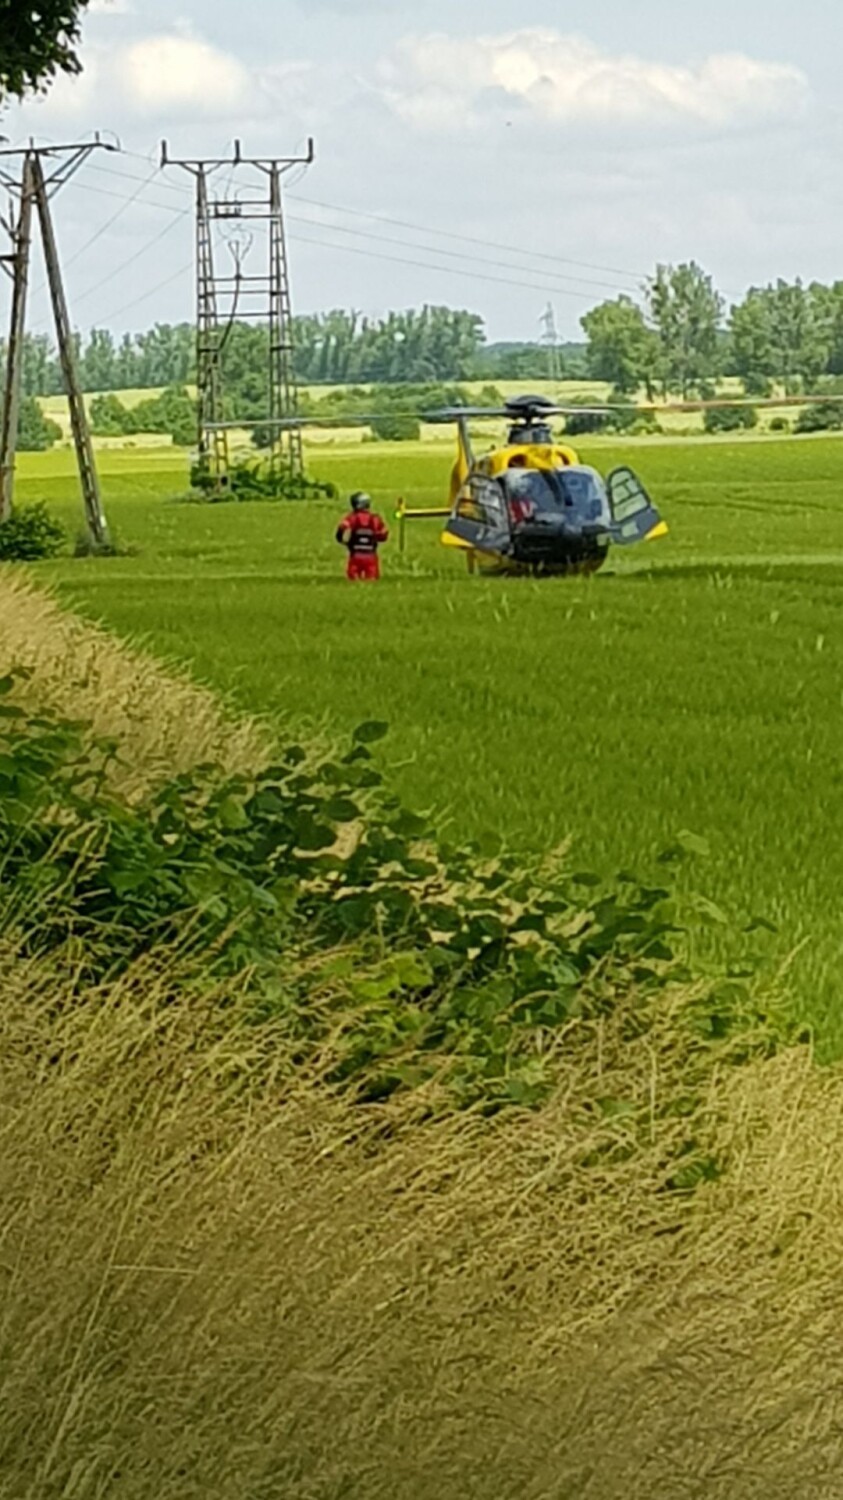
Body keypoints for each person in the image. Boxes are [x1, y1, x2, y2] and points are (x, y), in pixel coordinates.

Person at [335, 491, 389, 580]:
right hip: (371, 556)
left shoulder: (352, 517)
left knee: (353, 580)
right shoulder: (375, 518)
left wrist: (341, 540)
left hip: (355, 555)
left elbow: (342, 527)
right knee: (371, 580)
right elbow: (384, 535)